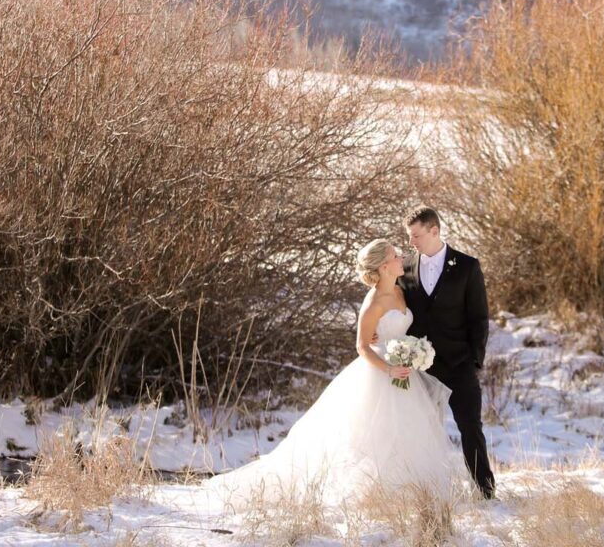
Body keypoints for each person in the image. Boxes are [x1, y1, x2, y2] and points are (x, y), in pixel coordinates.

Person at [204, 239, 467, 511]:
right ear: (384, 265)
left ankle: (411, 492)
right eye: (395, 255)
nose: (401, 258)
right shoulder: (373, 303)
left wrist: (414, 351)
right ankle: (373, 493)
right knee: (374, 435)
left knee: (409, 432)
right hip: (380, 373)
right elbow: (362, 346)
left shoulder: (401, 291)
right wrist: (389, 368)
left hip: (404, 372)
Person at [399, 206, 496, 499]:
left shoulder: (467, 266)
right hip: (419, 368)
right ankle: (424, 492)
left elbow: (479, 317)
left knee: (470, 428)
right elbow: (393, 308)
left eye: (416, 235)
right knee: (420, 431)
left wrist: (474, 362)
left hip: (459, 364)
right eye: (409, 236)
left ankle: (485, 491)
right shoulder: (402, 269)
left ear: (434, 231)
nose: (412, 242)